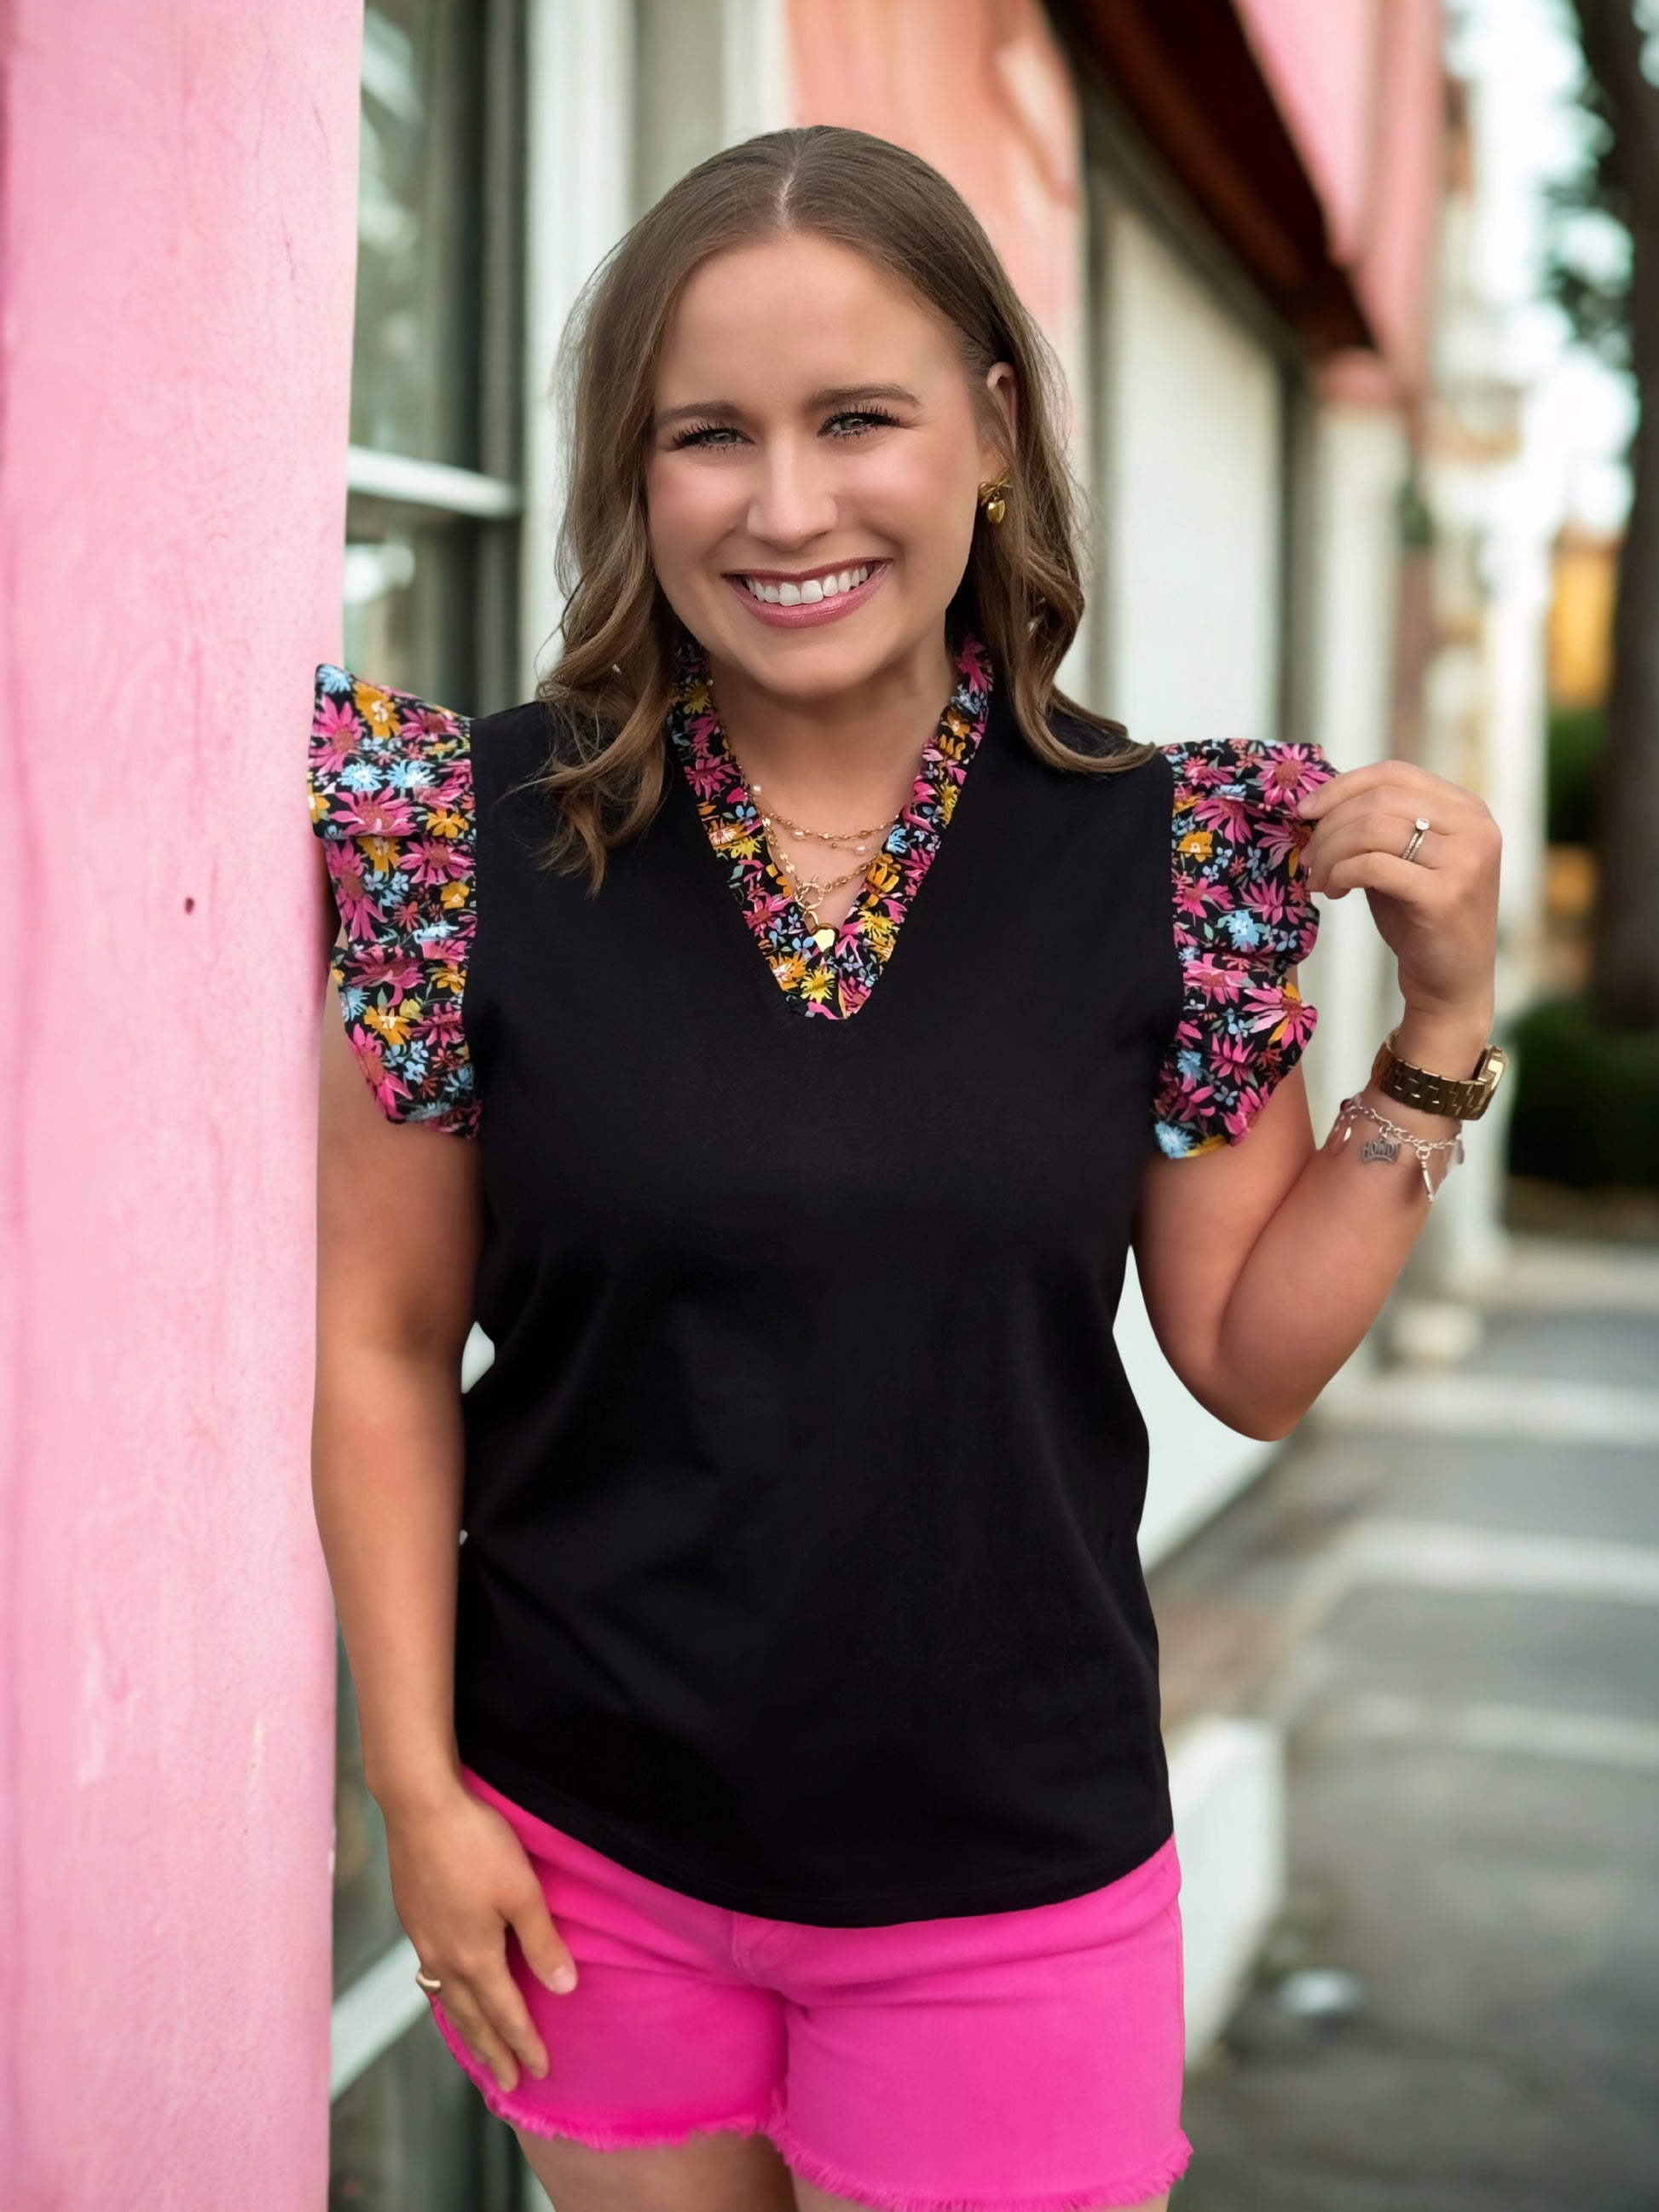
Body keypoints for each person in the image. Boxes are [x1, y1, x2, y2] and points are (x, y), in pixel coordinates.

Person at [308, 125, 1503, 2212]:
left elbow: (1246, 1359)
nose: (785, 507)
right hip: (585, 1852)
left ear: (993, 432)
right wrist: (417, 1788)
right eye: (708, 434)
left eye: (856, 417)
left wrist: (1437, 1025)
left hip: (1006, 1877)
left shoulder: (1171, 857)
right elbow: (384, 1341)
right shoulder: (457, 840)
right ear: (634, 471)